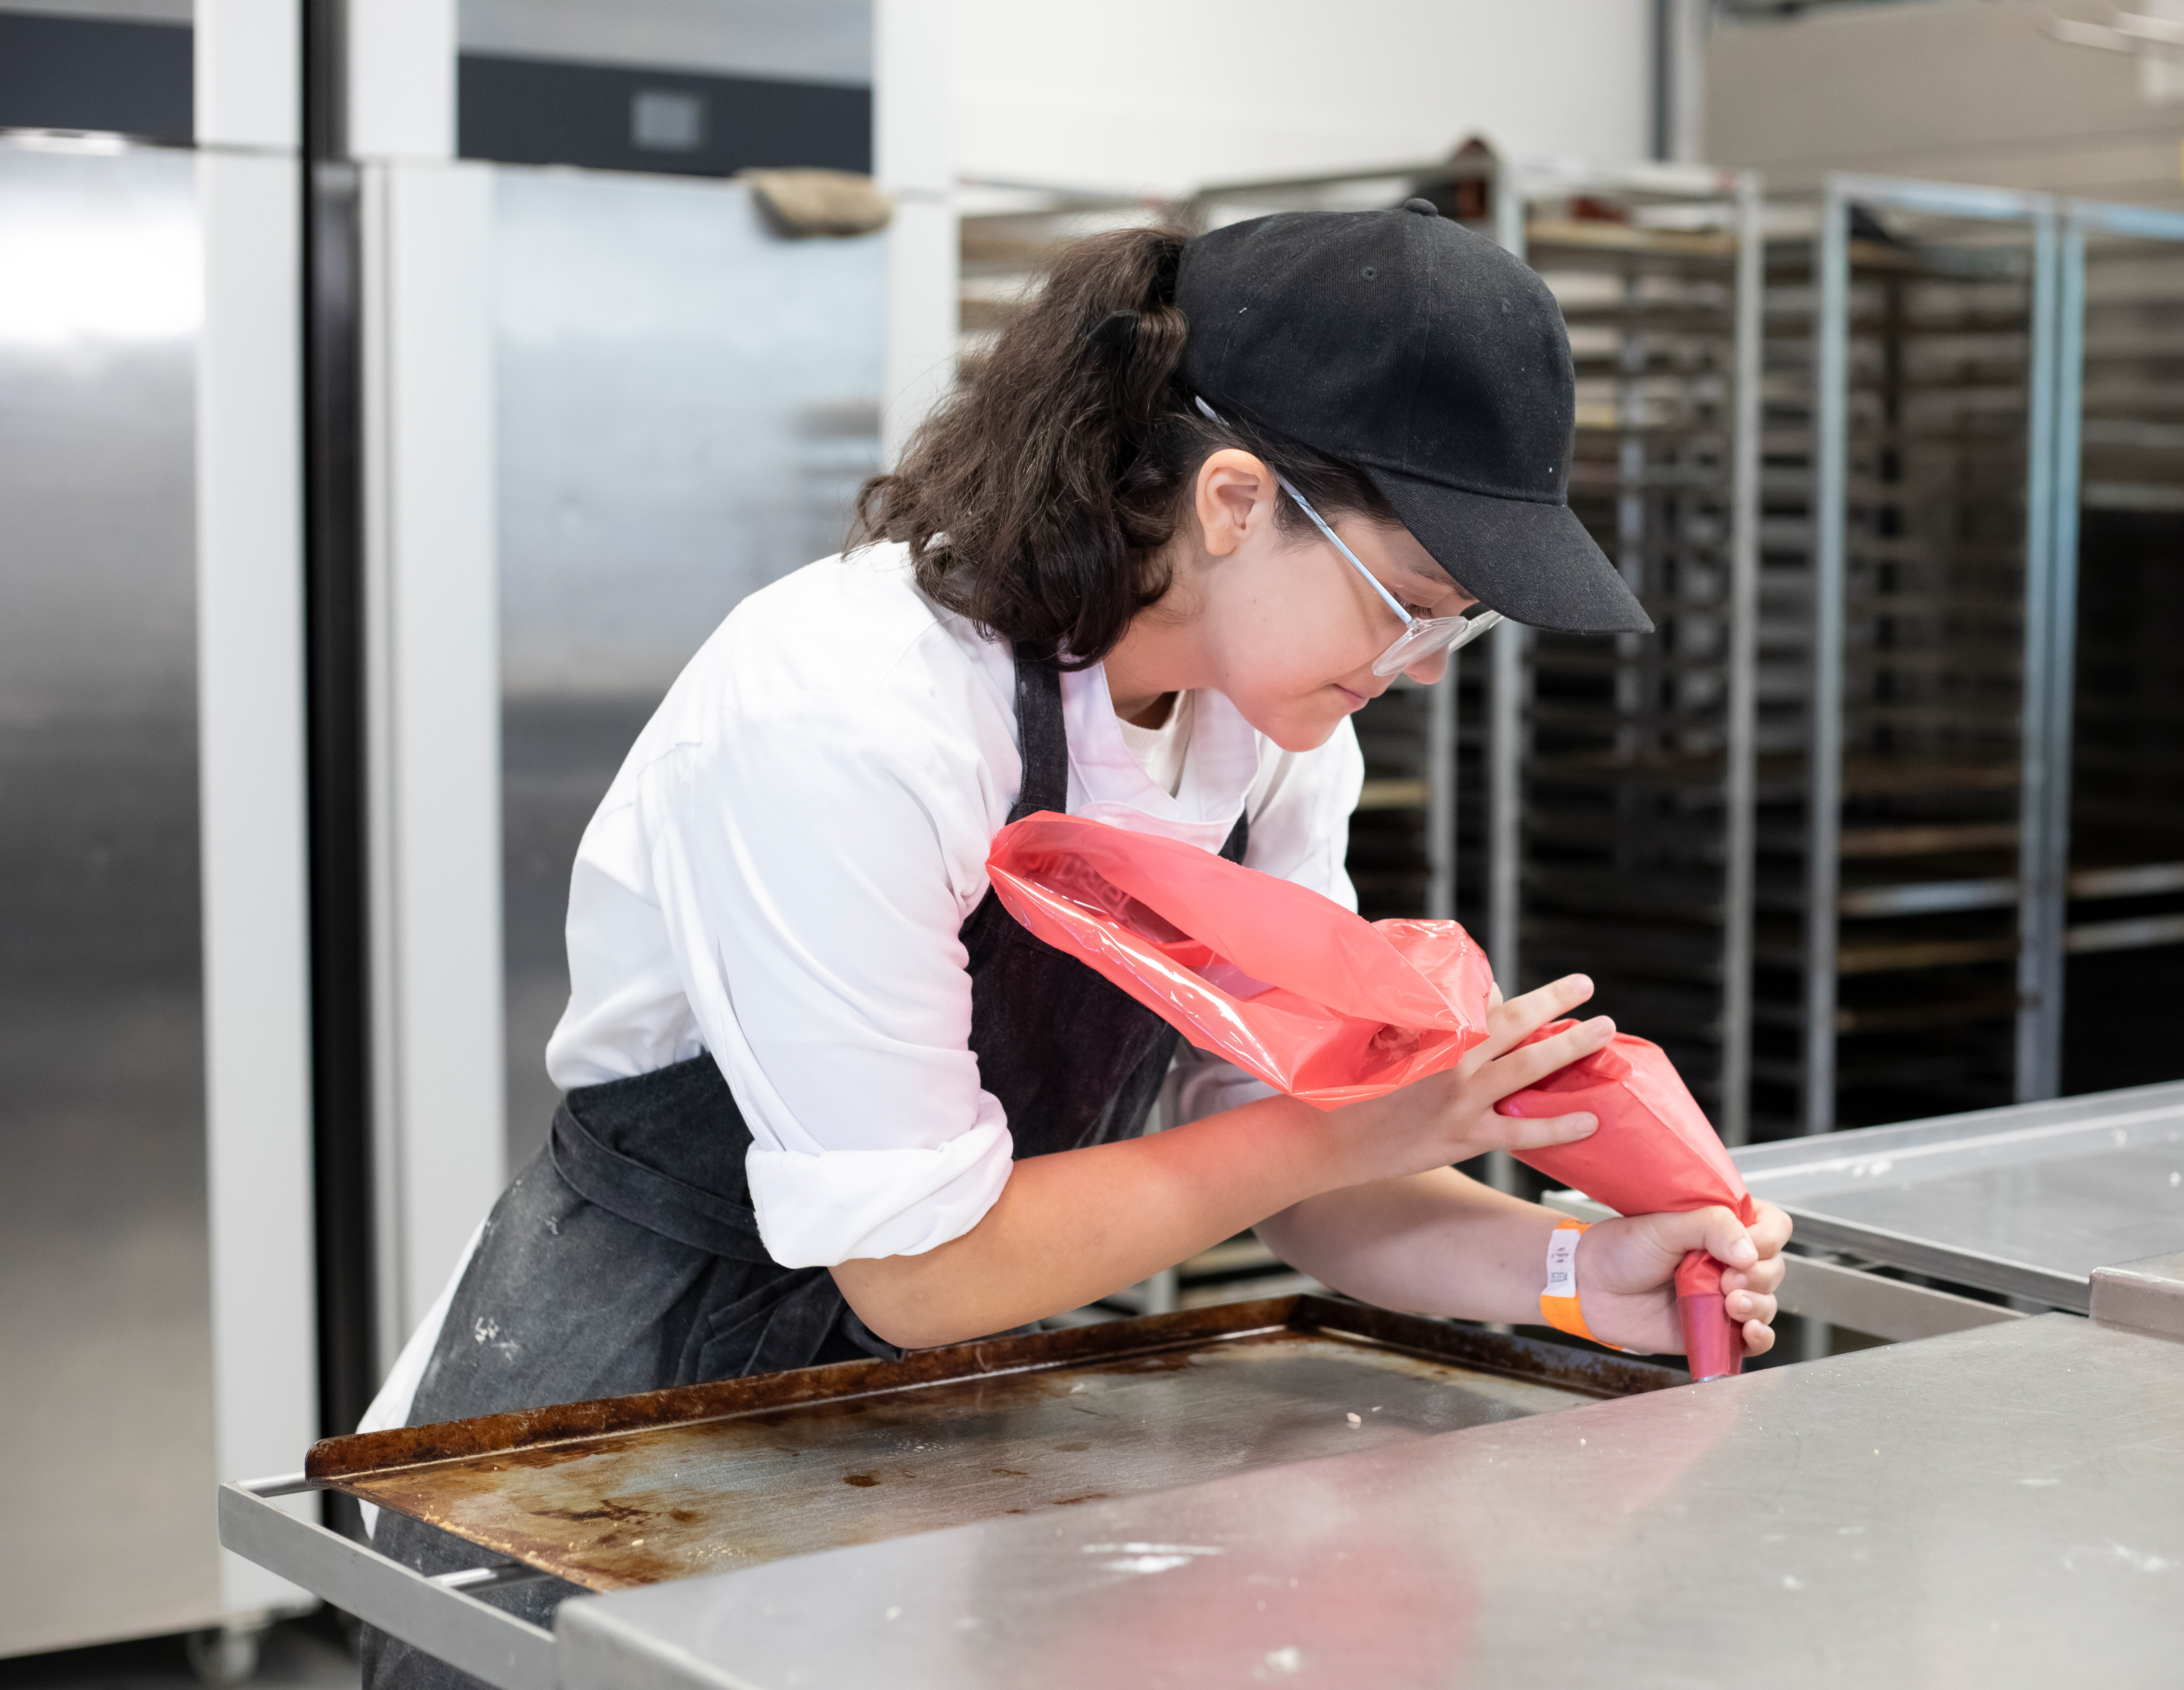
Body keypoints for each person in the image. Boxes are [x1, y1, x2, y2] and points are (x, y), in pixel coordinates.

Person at [361, 200, 1790, 1688]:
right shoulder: (854, 712)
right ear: (1233, 502)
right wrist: (1359, 1130)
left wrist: (1571, 1270)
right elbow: (916, 1272)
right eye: (1409, 609)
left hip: (931, 1446)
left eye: (1456, 630)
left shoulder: (1276, 742)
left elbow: (1272, 1147)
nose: (1416, 671)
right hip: (621, 1425)